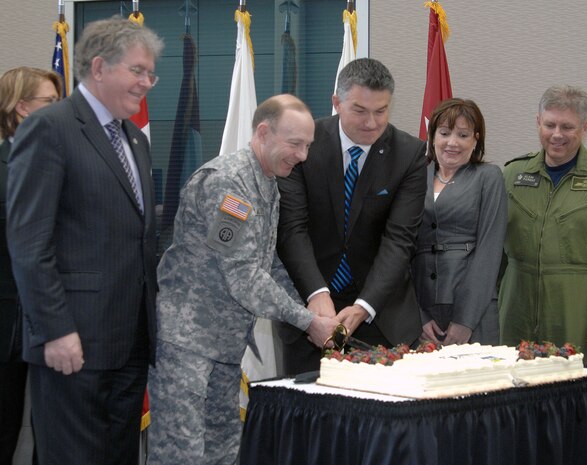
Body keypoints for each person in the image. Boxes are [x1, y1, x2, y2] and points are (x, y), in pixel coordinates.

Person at [5, 17, 163, 465]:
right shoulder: (50, 128)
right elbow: (29, 245)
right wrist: (54, 329)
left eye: (150, 73)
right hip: (73, 342)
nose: (146, 83)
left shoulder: (134, 138)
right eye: (137, 71)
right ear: (98, 67)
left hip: (129, 342)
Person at [148, 94, 338, 465]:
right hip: (188, 343)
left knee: (224, 449)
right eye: (295, 144)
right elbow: (243, 276)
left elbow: (266, 264)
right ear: (263, 133)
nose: (303, 156)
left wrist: (311, 305)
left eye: (308, 146)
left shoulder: (267, 181)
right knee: (181, 453)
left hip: (224, 344)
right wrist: (307, 321)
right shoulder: (229, 184)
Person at [275, 58, 427, 375]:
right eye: (359, 110)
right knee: (311, 415)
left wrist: (363, 307)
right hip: (311, 312)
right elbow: (292, 229)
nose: (371, 122)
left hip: (381, 314)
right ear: (337, 103)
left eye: (381, 111)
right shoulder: (304, 145)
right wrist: (316, 294)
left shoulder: (409, 154)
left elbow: (398, 240)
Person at [499, 85, 587, 365]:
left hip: (577, 312)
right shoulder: (513, 175)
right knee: (514, 398)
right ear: (538, 121)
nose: (557, 134)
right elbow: (492, 248)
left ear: (585, 127)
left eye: (567, 126)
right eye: (549, 124)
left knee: (571, 398)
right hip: (516, 311)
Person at [0, 66, 61, 465]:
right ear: (21, 107)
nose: (60, 112)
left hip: (55, 322)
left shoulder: (58, 162)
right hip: (6, 319)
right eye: (50, 103)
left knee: (54, 432)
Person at [411, 98, 507, 346]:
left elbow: (490, 250)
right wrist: (417, 315)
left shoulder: (489, 177)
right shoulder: (415, 177)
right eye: (444, 133)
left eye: (463, 135)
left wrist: (466, 321)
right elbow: (401, 247)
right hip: (423, 310)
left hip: (474, 309)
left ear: (475, 140)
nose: (452, 142)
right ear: (432, 136)